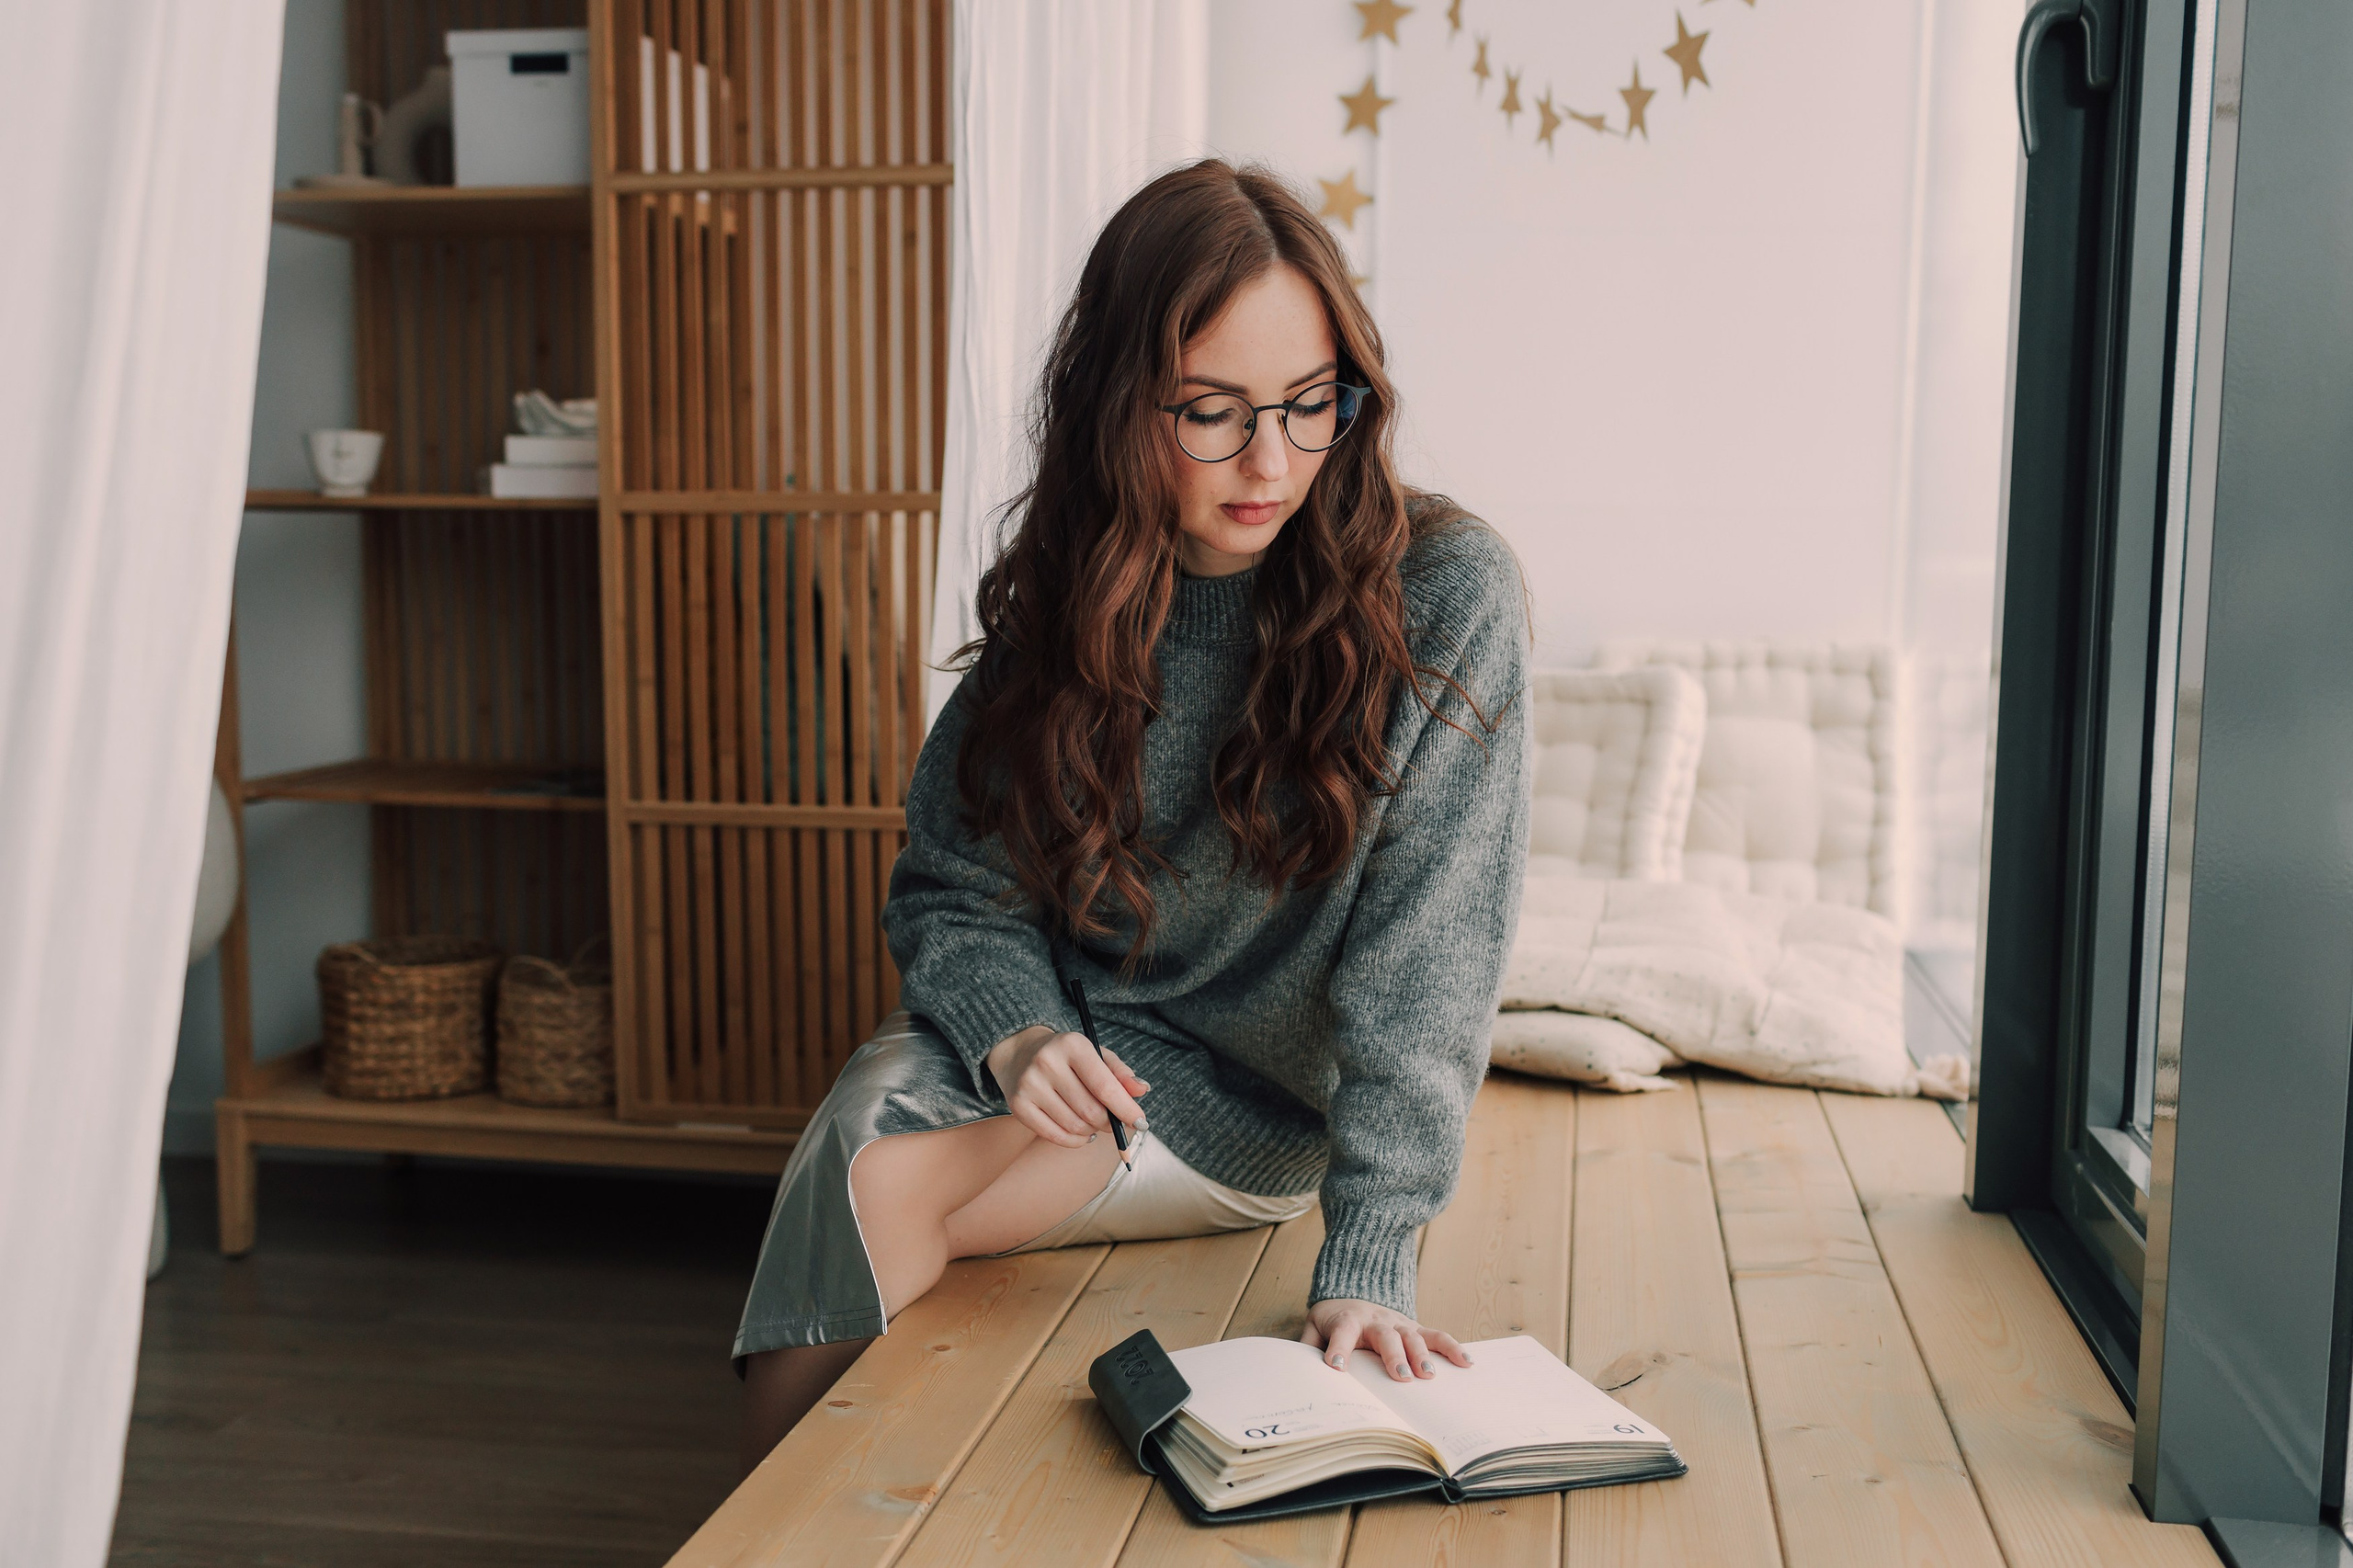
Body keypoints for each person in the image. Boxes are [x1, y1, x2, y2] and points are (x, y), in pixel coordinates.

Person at [733, 158, 1532, 1467]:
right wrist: (1016, 1033)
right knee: (859, 1172)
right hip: (1065, 1048)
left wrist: (1372, 1253)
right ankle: (765, 1527)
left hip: (1241, 1107)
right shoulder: (1081, 584)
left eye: (1309, 405)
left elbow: (1428, 967)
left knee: (875, 1191)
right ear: (1119, 404)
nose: (1270, 461)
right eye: (1211, 413)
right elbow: (954, 881)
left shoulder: (1447, 591)